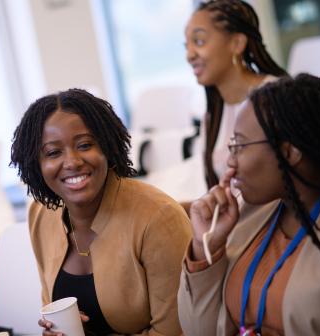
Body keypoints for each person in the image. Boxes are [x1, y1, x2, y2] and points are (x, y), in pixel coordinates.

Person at [178, 74, 320, 335]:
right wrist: (207, 246)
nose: (230, 162)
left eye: (239, 145)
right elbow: (198, 330)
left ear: (290, 151)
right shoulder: (250, 214)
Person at [10, 88, 191, 335]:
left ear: (107, 146)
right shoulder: (42, 214)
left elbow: (177, 331)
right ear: (36, 163)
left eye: (85, 145)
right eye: (53, 152)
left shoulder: (158, 218)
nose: (72, 162)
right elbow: (50, 307)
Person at [184, 0, 287, 191]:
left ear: (237, 43)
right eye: (186, 45)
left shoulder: (277, 97)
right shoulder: (212, 117)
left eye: (199, 41)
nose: (189, 55)